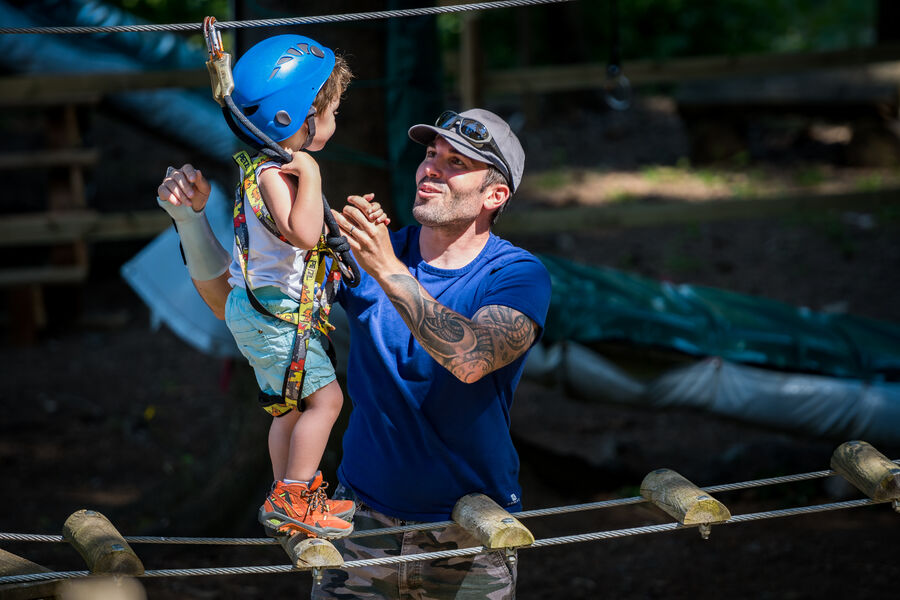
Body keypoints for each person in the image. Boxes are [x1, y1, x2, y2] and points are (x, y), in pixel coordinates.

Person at [157, 108, 551, 599]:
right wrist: (190, 221)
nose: (432, 168)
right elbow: (240, 306)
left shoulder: (516, 273)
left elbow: (473, 358)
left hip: (472, 530)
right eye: (432, 155)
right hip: (358, 523)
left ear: (495, 195)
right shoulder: (365, 251)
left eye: (457, 162)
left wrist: (386, 268)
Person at [158, 34, 385, 540]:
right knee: (326, 403)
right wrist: (314, 175)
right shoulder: (279, 173)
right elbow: (303, 233)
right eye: (330, 110)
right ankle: (296, 497)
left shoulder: (260, 169)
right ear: (296, 117)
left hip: (258, 312)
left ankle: (287, 495)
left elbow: (305, 241)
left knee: (288, 408)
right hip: (276, 312)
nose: (335, 119)